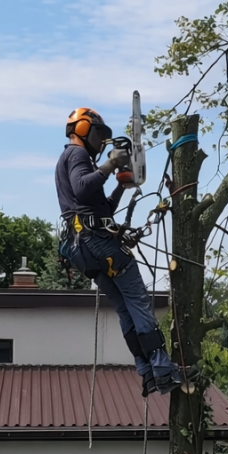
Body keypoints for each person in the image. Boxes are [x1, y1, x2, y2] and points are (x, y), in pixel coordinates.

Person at [56, 107, 185, 396]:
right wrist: (111, 164)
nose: (101, 143)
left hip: (83, 248)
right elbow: (81, 188)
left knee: (126, 310)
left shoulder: (74, 161)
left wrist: (121, 188)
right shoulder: (76, 156)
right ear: (83, 128)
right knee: (139, 303)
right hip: (97, 243)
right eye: (98, 134)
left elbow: (99, 207)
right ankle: (163, 370)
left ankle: (146, 373)